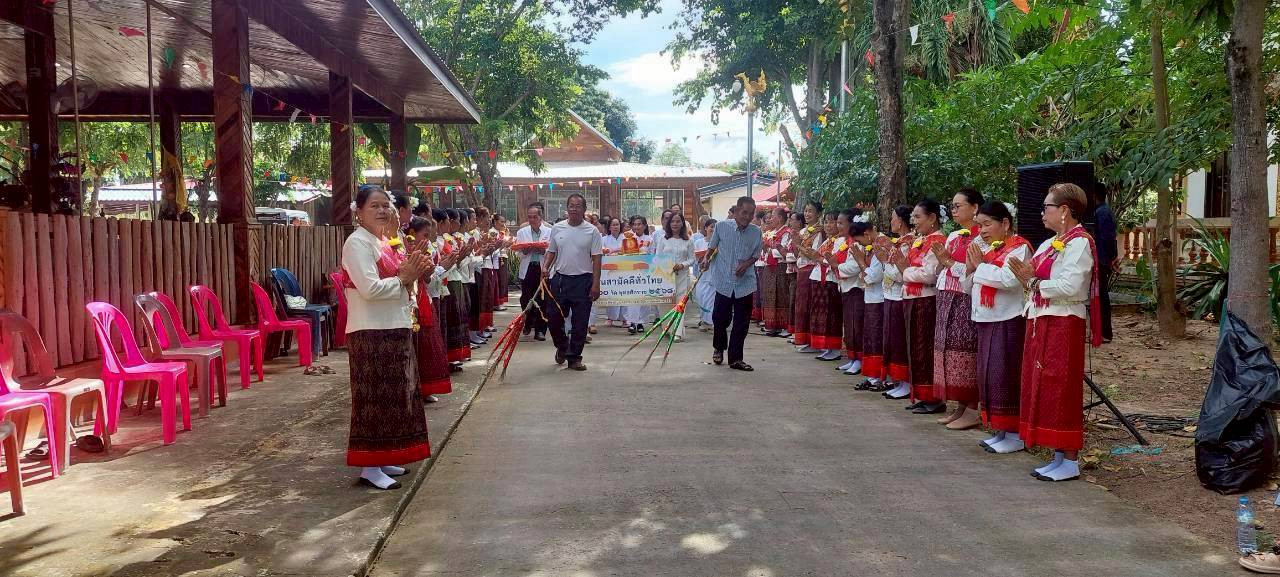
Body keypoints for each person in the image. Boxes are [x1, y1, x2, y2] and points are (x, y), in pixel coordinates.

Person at [1008, 183, 1103, 482]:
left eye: (1047, 207)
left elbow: (1072, 287)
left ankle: (1070, 459)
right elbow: (1031, 276)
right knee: (1043, 385)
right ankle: (1057, 455)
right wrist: (1027, 279)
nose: (1041, 213)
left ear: (1064, 211)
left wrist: (1033, 283)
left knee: (1061, 387)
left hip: (1063, 323)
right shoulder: (1050, 244)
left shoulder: (1080, 243)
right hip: (1040, 320)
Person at [340, 187, 431, 490]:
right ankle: (368, 466)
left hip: (392, 327)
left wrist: (413, 275)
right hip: (370, 331)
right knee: (372, 399)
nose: (381, 211)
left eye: (385, 206)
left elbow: (401, 281)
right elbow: (369, 289)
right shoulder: (357, 244)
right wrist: (404, 278)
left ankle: (380, 457)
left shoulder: (381, 242)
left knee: (391, 397)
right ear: (359, 211)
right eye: (374, 206)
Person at [968, 201, 1032, 454]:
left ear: (1005, 223)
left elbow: (1008, 280)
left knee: (1005, 375)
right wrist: (978, 267)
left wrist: (979, 267)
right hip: (987, 318)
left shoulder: (1019, 248)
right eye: (979, 225)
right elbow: (970, 282)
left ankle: (1015, 434)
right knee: (989, 376)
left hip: (1008, 318)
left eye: (987, 224)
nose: (982, 230)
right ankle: (1001, 429)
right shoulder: (993, 251)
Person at [930, 188, 987, 430]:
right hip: (947, 298)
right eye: (952, 206)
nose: (953, 210)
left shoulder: (982, 237)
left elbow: (973, 271)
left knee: (966, 352)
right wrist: (944, 263)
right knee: (949, 352)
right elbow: (943, 268)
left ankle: (973, 408)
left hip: (965, 298)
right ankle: (960, 406)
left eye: (958, 206)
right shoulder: (954, 236)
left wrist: (948, 262)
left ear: (975, 208)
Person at [889, 199, 947, 414]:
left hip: (926, 299)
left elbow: (930, 274)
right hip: (912, 297)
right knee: (914, 347)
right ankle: (921, 394)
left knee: (924, 348)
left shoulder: (938, 241)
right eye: (913, 217)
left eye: (918, 217)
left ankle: (932, 397)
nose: (914, 221)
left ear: (932, 218)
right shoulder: (920, 240)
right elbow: (911, 268)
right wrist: (905, 269)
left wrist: (905, 270)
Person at [542, 193, 603, 371]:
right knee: (553, 319)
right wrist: (545, 267)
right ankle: (562, 347)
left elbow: (597, 259)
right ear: (566, 208)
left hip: (583, 281)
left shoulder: (592, 231)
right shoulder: (558, 228)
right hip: (560, 280)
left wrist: (596, 283)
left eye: (578, 206)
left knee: (580, 323)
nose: (574, 209)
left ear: (584, 209)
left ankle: (574, 357)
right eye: (571, 205)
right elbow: (551, 251)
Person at [704, 196, 764, 371]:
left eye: (751, 214)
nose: (747, 217)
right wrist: (706, 260)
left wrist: (746, 265)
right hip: (723, 280)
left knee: (741, 322)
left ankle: (736, 358)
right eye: (744, 212)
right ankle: (719, 347)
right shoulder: (722, 226)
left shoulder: (756, 232)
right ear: (736, 211)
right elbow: (712, 248)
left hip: (745, 284)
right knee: (719, 318)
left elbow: (756, 254)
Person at [407, 216, 457, 403]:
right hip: (414, 301)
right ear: (411, 233)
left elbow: (427, 279)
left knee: (427, 344)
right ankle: (418, 387)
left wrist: (440, 268)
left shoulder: (424, 250)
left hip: (424, 298)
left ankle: (425, 387)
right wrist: (437, 269)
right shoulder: (405, 249)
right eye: (425, 235)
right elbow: (422, 278)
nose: (428, 239)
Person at [876, 205, 915, 400]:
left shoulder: (907, 244)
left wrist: (885, 262)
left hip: (900, 295)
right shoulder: (898, 243)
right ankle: (898, 381)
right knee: (891, 339)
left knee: (900, 341)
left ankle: (906, 382)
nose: (891, 222)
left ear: (900, 221)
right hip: (891, 295)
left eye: (893, 218)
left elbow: (901, 274)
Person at [805, 212, 845, 361]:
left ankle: (833, 349)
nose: (828, 225)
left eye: (832, 222)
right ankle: (826, 347)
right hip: (819, 279)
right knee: (821, 315)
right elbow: (818, 258)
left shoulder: (841, 241)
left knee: (831, 315)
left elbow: (834, 261)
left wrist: (819, 258)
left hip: (831, 281)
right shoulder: (827, 241)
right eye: (826, 222)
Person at [653, 211, 697, 341]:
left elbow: (692, 259)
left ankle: (677, 332)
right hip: (666, 276)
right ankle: (668, 329)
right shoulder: (663, 239)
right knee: (665, 304)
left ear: (683, 223)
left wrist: (682, 265)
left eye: (678, 221)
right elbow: (657, 257)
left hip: (682, 276)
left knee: (680, 303)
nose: (675, 224)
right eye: (672, 221)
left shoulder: (688, 241)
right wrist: (666, 265)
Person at [836, 214, 871, 374]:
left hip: (856, 288)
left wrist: (836, 266)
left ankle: (859, 359)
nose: (839, 226)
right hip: (846, 287)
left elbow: (855, 267)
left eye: (842, 223)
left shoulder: (860, 244)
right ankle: (852, 357)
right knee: (849, 326)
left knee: (857, 326)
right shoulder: (845, 243)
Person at [853, 222, 886, 386]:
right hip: (872, 296)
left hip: (880, 297)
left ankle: (880, 376)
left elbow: (874, 275)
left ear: (866, 234)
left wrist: (860, 261)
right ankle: (874, 374)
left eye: (860, 241)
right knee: (871, 337)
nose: (860, 245)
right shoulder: (872, 245)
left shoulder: (881, 245)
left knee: (877, 338)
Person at [515, 202, 551, 341]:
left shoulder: (550, 231)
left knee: (543, 299)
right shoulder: (522, 232)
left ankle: (541, 330)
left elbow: (553, 251)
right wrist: (526, 250)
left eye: (534, 217)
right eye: (529, 217)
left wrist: (543, 250)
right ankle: (528, 322)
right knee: (526, 298)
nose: (532, 220)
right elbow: (518, 252)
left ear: (540, 217)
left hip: (542, 268)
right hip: (528, 267)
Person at [792, 201, 823, 352]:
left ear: (818, 214)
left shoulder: (819, 232)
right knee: (801, 306)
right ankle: (802, 339)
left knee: (809, 305)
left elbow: (814, 254)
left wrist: (798, 245)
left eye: (811, 211)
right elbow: (799, 254)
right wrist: (797, 246)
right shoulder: (804, 231)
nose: (807, 214)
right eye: (805, 210)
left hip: (811, 270)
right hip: (802, 269)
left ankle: (811, 341)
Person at [760, 207, 792, 337]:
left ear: (780, 218)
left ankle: (783, 326)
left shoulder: (786, 232)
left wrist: (769, 250)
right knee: (770, 295)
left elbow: (783, 251)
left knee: (782, 295)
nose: (770, 219)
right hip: (769, 267)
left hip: (780, 267)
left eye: (773, 216)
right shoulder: (772, 232)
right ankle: (772, 325)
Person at [1092, 186, 1117, 342]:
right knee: (1099, 296)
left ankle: (1105, 333)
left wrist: (1110, 258)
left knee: (1101, 296)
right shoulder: (1101, 211)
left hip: (1101, 260)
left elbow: (1108, 238)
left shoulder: (1102, 213)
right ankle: (1101, 332)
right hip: (1101, 259)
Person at [622, 215, 654, 334]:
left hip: (646, 272)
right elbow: (623, 254)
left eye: (639, 224)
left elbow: (653, 254)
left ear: (644, 225)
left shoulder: (650, 239)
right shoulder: (627, 238)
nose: (637, 227)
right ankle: (632, 323)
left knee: (644, 298)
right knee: (632, 298)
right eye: (634, 224)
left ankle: (641, 322)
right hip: (631, 272)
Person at [601, 217, 628, 328]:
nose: (616, 227)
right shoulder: (604, 239)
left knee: (624, 294)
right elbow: (602, 251)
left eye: (617, 224)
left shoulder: (625, 238)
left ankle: (625, 319)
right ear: (609, 227)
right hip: (610, 271)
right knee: (611, 293)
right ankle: (610, 317)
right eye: (613, 225)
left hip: (623, 269)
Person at [693, 218, 717, 331]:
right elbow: (694, 257)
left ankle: (710, 322)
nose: (713, 229)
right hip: (702, 275)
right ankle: (703, 319)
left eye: (715, 227)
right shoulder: (698, 242)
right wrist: (701, 259)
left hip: (714, 274)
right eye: (711, 226)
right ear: (706, 228)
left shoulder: (719, 243)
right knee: (701, 297)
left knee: (711, 299)